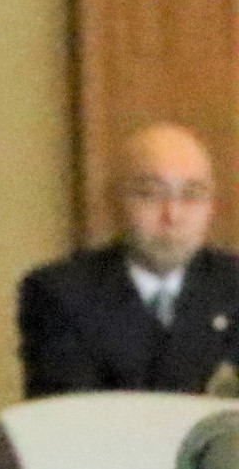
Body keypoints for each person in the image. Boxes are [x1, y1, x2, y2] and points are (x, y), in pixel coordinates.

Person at [16, 122, 239, 397]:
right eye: (151, 194)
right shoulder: (61, 293)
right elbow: (68, 416)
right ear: (114, 201)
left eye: (192, 195)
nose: (173, 215)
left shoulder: (232, 285)